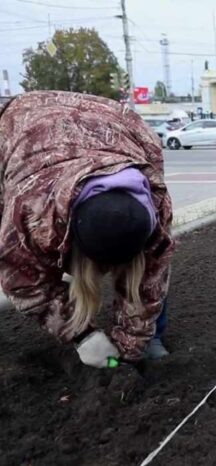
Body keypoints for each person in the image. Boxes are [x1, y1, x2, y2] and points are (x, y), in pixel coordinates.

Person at [0, 91, 175, 369]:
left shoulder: (154, 204)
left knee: (150, 271)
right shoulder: (30, 210)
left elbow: (152, 272)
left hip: (114, 120)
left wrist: (132, 347)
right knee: (30, 259)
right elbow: (24, 281)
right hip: (25, 124)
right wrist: (82, 336)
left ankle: (151, 337)